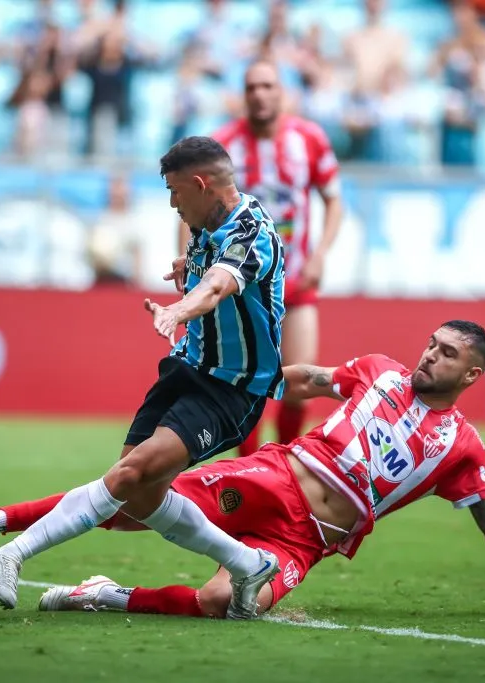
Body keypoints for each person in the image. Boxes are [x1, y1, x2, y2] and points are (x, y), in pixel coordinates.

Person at [0, 321, 485, 621]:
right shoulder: (381, 370)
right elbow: (308, 379)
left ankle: (101, 594)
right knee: (129, 490)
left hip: (311, 539)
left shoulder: (463, 448)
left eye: (448, 355)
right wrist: (247, 383)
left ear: (472, 374)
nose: (430, 356)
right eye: (432, 344)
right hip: (277, 476)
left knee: (224, 604)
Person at [0, 136, 286, 619]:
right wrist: (186, 267)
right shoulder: (209, 221)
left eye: (176, 192)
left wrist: (179, 308)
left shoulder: (251, 232)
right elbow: (207, 269)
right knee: (138, 497)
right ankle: (247, 563)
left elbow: (219, 285)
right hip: (187, 367)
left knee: (129, 474)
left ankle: (11, 555)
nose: (173, 203)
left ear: (200, 185)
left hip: (230, 388)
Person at [179, 59, 342, 457]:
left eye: (268, 86)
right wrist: (189, 259)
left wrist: (321, 254)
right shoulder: (221, 146)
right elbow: (190, 207)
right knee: (242, 385)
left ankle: (284, 466)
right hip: (239, 285)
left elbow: (334, 200)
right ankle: (252, 471)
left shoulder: (310, 139)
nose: (259, 94)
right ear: (243, 94)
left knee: (298, 385)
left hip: (297, 280)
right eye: (251, 87)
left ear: (281, 91)